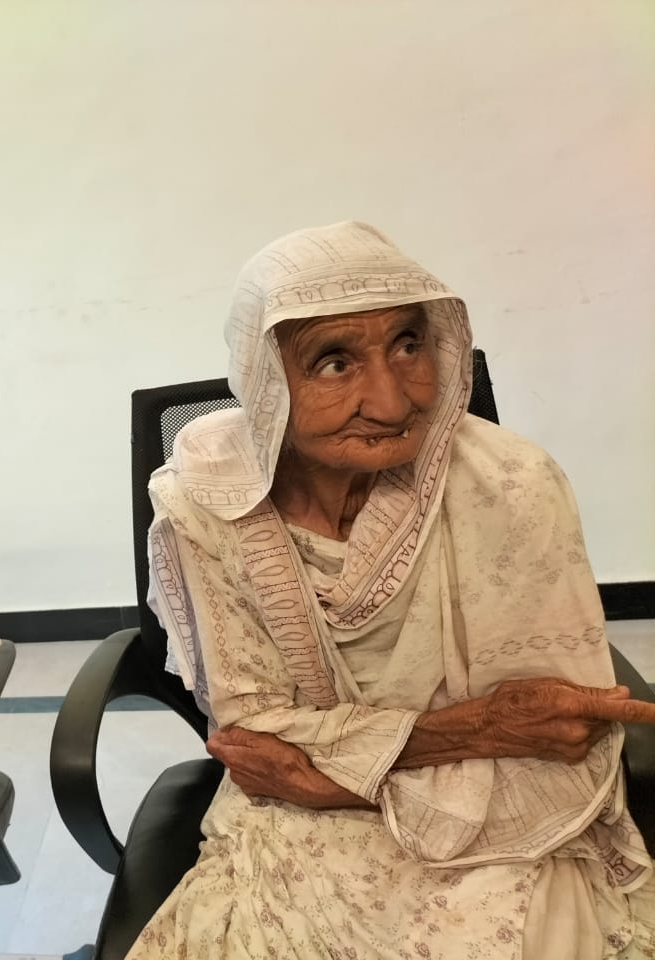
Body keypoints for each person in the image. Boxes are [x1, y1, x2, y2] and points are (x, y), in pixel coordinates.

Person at [129, 222, 655, 959]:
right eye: (334, 362)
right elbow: (257, 739)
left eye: (409, 345)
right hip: (301, 817)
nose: (389, 400)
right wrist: (483, 728)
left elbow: (557, 739)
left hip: (502, 819)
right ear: (266, 382)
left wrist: (330, 778)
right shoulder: (205, 503)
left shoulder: (511, 483)